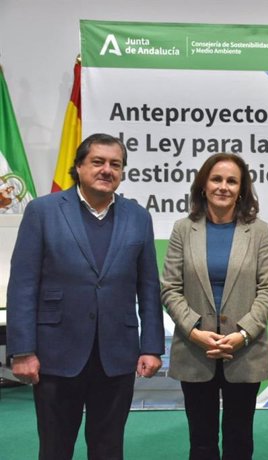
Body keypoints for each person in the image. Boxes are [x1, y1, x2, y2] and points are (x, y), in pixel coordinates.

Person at [6, 133, 165, 460]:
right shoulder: (43, 211)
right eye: (98, 162)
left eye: (115, 164)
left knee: (108, 448)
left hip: (116, 356)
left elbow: (148, 287)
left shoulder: (138, 217)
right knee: (55, 448)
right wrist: (22, 350)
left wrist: (151, 346)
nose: (107, 170)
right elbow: (23, 285)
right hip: (55, 354)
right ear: (78, 167)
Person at [160, 153, 268, 460]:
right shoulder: (183, 229)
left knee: (240, 441)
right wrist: (194, 331)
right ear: (203, 185)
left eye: (231, 181)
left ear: (242, 189)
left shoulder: (260, 232)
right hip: (195, 350)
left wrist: (243, 334)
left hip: (244, 351)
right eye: (216, 179)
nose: (223, 187)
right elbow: (170, 288)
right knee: (201, 442)